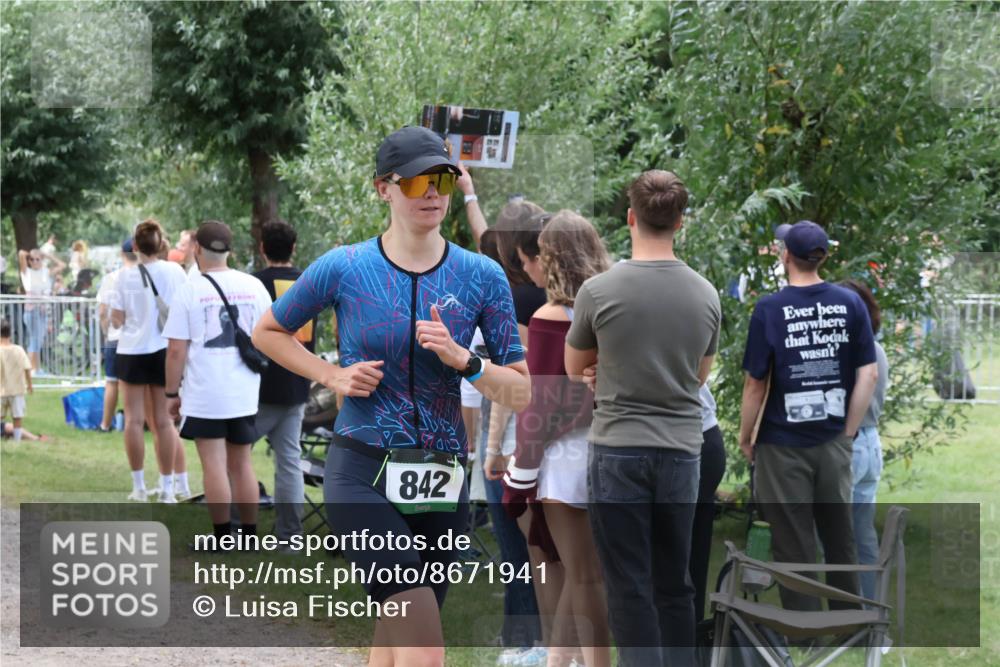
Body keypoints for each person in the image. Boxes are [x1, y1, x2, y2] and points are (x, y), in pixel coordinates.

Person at [253, 125, 531, 666]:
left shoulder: (483, 275)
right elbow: (268, 331)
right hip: (362, 470)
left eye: (444, 179)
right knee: (423, 636)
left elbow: (520, 392)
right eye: (417, 182)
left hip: (443, 478)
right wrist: (331, 377)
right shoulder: (346, 266)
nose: (432, 192)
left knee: (397, 632)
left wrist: (465, 361)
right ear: (384, 188)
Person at [565, 170, 721, 666]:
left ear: (630, 217)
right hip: (680, 450)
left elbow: (574, 367)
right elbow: (698, 377)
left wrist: (608, 370)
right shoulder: (706, 294)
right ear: (680, 221)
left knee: (628, 584)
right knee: (675, 581)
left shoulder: (598, 290)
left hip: (617, 449)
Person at [738, 220, 879, 612]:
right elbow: (868, 373)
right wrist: (848, 431)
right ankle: (848, 623)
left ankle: (804, 633)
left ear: (786, 255)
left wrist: (745, 435)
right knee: (840, 536)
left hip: (782, 444)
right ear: (824, 256)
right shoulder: (849, 303)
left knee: (792, 539)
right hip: (834, 441)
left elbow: (755, 384)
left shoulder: (769, 308)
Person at [504, 210, 611, 667]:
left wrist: (519, 475)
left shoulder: (550, 318)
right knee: (580, 573)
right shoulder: (612, 308)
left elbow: (540, 406)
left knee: (583, 575)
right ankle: (559, 660)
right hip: (611, 445)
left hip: (566, 457)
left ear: (553, 259)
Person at [165, 220, 272, 542]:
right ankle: (250, 534)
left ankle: (223, 534)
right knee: (242, 464)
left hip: (204, 391)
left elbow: (175, 350)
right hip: (243, 390)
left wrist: (172, 392)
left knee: (213, 464)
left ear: (197, 248)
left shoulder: (189, 290)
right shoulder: (253, 286)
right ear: (230, 251)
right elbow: (269, 335)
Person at [110, 219, 187, 503]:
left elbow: (117, 319)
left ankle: (139, 487)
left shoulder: (122, 276)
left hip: (131, 350)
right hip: (164, 349)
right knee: (164, 422)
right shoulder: (175, 271)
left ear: (134, 245)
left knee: (133, 420)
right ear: (160, 242)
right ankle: (168, 488)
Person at [251, 219, 316, 547]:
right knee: (289, 460)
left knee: (236, 456)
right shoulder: (309, 282)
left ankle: (236, 526)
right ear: (293, 248)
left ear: (262, 248)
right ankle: (290, 534)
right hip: (297, 384)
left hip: (259, 386)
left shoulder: (253, 284)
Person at [839, 279, 889, 601]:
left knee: (834, 537)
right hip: (871, 443)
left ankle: (841, 614)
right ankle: (873, 613)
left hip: (851, 443)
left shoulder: (851, 350)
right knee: (864, 536)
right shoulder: (876, 347)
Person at [96, 239, 136, 432]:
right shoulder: (146, 277)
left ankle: (105, 424)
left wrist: (106, 332)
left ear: (122, 254)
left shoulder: (111, 278)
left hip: (115, 336)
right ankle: (138, 423)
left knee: (112, 381)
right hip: (139, 338)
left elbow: (103, 311)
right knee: (138, 384)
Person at [17, 246, 65, 372]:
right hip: (32, 310)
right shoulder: (26, 272)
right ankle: (31, 369)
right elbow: (21, 253)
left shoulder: (45, 271)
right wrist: (29, 254)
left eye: (37, 259)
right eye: (32, 259)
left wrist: (47, 255)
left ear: (41, 260)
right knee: (34, 339)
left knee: (38, 340)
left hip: (44, 310)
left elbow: (62, 265)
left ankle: (35, 368)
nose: (34, 262)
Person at [0, 319, 33, 442]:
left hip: (1, 390)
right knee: (17, 417)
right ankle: (17, 440)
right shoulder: (19, 350)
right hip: (17, 390)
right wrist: (30, 385)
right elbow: (27, 368)